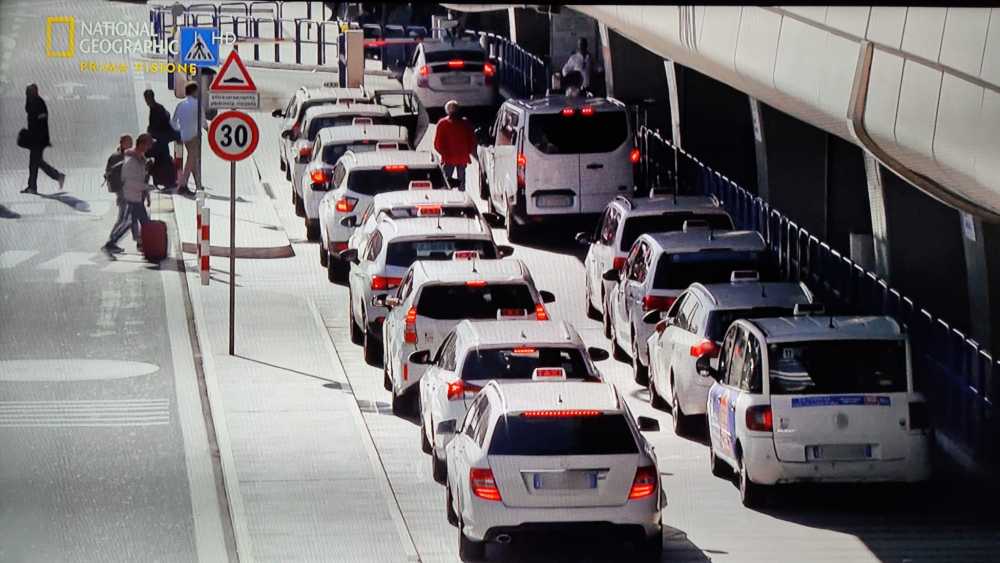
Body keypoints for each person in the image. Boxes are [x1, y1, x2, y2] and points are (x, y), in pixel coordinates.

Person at [102, 134, 155, 257]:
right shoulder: (131, 160)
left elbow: (140, 177)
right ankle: (111, 243)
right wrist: (146, 187)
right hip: (130, 197)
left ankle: (145, 244)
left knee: (145, 222)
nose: (150, 147)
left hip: (136, 196)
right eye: (148, 145)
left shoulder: (139, 157)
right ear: (141, 144)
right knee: (128, 222)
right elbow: (129, 182)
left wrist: (146, 191)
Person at [21, 84, 66, 194]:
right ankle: (34, 186)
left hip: (39, 139)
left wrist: (40, 137)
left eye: (29, 92)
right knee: (36, 162)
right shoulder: (33, 103)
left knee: (35, 162)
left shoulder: (38, 103)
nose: (28, 95)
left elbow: (42, 122)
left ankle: (56, 177)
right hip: (36, 138)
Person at [432, 100, 476, 191]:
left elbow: (437, 143)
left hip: (448, 158)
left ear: (447, 111)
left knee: (446, 182)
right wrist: (467, 151)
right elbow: (472, 140)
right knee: (461, 181)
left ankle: (447, 196)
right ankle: (461, 196)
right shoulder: (465, 123)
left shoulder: (442, 123)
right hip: (462, 157)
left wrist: (443, 153)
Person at [171, 82, 207, 193]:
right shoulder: (197, 104)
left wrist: (178, 131)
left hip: (183, 136)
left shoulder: (181, 105)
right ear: (194, 91)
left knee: (193, 160)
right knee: (191, 159)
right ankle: (183, 184)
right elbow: (203, 121)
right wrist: (209, 130)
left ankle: (198, 184)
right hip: (194, 136)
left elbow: (173, 121)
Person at [144, 89, 179, 192]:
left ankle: (165, 181)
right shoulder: (157, 107)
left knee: (150, 155)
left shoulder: (156, 109)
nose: (147, 101)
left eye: (147, 99)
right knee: (163, 159)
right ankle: (165, 181)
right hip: (162, 138)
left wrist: (150, 133)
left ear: (149, 98)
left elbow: (156, 126)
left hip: (162, 138)